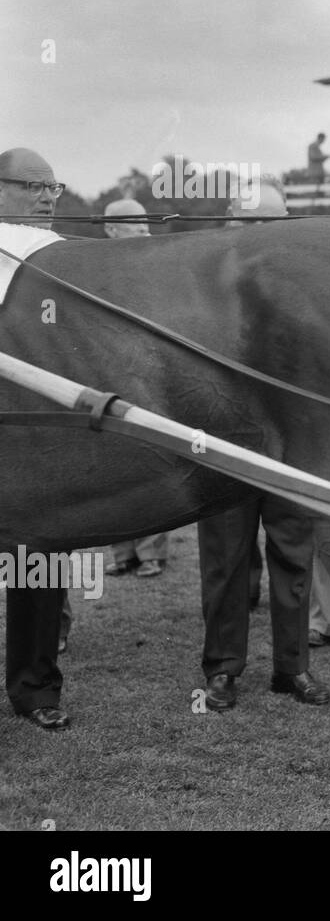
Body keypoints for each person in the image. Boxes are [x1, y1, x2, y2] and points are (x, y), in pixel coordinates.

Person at [197, 178, 330, 711]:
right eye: (249, 222)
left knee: (294, 557)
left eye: (271, 223)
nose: (259, 234)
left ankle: (292, 669)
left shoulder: (310, 286)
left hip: (291, 444)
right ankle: (223, 669)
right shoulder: (200, 283)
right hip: (224, 440)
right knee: (225, 561)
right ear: (229, 221)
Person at [1, 148, 71, 730]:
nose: (48, 196)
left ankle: (35, 689)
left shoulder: (60, 260)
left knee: (37, 558)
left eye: (54, 187)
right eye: (32, 185)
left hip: (29, 442)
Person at [100, 198, 173, 578]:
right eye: (135, 223)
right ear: (111, 229)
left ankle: (151, 554)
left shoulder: (152, 267)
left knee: (148, 463)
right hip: (103, 376)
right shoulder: (94, 269)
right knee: (112, 466)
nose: (146, 230)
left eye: (147, 223)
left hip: (144, 377)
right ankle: (122, 554)